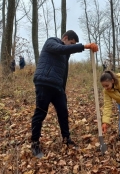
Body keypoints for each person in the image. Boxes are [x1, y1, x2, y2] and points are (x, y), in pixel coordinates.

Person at [31, 30, 98, 158]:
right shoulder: (51, 42)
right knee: (40, 113)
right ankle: (35, 143)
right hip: (44, 83)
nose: (71, 47)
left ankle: (66, 139)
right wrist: (84, 46)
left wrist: (63, 89)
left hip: (58, 87)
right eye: (71, 43)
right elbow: (61, 48)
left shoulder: (65, 55)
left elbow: (64, 73)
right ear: (65, 38)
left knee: (63, 113)